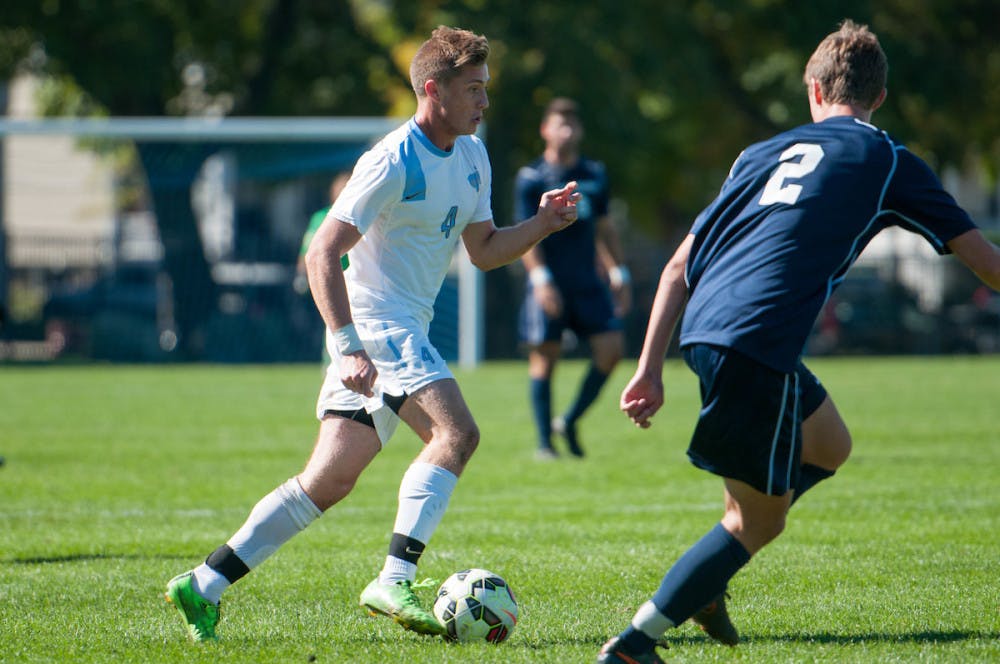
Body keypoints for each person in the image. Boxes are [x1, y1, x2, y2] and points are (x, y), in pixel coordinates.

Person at [598, 20, 1000, 663]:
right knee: (759, 522)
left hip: (706, 330)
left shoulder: (758, 155)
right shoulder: (889, 159)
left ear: (813, 90)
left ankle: (710, 576)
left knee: (830, 444)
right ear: (882, 97)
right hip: (757, 343)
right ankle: (632, 645)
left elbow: (676, 267)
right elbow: (986, 263)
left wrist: (649, 369)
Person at [165, 25, 581, 643]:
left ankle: (204, 583)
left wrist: (544, 223)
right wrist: (348, 343)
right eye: (473, 90)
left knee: (327, 482)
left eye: (485, 89)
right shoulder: (392, 158)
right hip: (379, 327)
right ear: (433, 91)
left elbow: (487, 250)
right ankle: (394, 577)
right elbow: (322, 253)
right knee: (456, 432)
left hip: (399, 329)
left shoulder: (472, 156)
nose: (484, 102)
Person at [515, 97, 631, 459]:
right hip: (550, 281)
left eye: (572, 124)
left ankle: (568, 420)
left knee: (611, 351)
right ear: (545, 130)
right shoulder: (531, 178)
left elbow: (606, 227)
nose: (567, 130)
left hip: (587, 281)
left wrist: (619, 270)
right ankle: (544, 444)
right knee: (545, 358)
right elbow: (523, 234)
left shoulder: (594, 174)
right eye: (559, 123)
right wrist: (541, 280)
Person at [294, 171, 352, 296]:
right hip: (328, 278)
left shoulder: (361, 217)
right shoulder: (321, 217)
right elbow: (308, 249)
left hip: (354, 281)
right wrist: (301, 274)